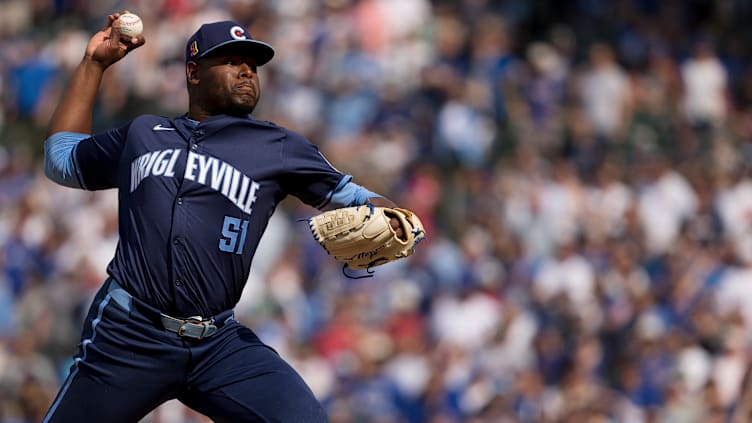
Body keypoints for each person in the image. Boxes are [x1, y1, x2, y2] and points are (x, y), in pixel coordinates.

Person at [41, 12, 406, 422]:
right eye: (231, 60)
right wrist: (94, 64)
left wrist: (393, 216)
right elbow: (61, 161)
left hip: (218, 345)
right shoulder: (143, 132)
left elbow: (354, 197)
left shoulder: (277, 145)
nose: (247, 69)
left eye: (252, 63)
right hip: (129, 335)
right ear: (193, 72)